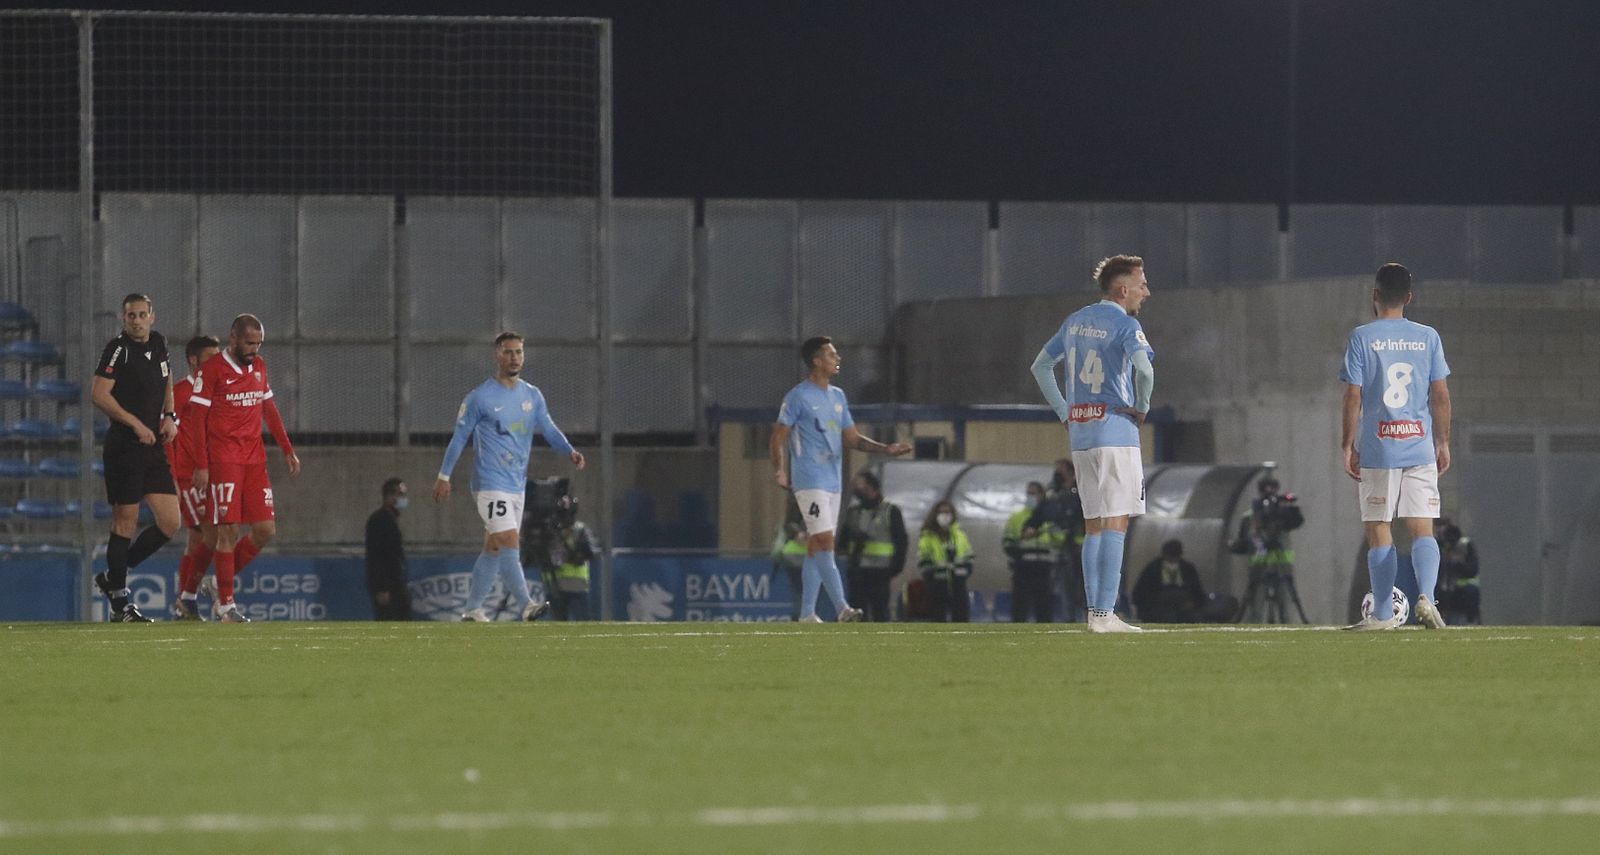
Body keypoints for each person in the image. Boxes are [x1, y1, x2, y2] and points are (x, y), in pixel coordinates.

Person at [1030, 254, 1154, 633]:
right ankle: (1105, 613)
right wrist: (1142, 407)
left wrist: (1066, 413)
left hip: (1082, 435)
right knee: (1116, 522)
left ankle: (1093, 613)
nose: (1146, 291)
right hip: (1116, 432)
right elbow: (1145, 370)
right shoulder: (1125, 324)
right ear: (1122, 289)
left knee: (1094, 526)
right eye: (1141, 284)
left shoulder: (1075, 321)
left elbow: (1040, 367)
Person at [434, 332, 585, 622]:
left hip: (516, 485)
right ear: (497, 355)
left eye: (518, 352)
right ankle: (527, 605)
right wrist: (444, 476)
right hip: (490, 484)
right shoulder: (479, 398)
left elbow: (549, 429)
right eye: (508, 352)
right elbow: (459, 438)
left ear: (523, 356)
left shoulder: (532, 395)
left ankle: (472, 608)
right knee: (509, 540)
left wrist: (569, 451)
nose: (514, 357)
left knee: (493, 546)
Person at [1340, 262, 1452, 631]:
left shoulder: (1362, 337)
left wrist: (1347, 444)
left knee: (1379, 527)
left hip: (1379, 448)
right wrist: (1442, 441)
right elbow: (1440, 395)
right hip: (1419, 445)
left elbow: (1353, 396)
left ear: (1375, 295)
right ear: (1408, 298)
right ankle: (1426, 596)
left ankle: (1384, 613)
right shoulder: (1428, 337)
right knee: (1423, 527)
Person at [770, 335, 911, 623]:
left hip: (833, 482)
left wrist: (886, 449)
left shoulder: (838, 396)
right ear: (816, 361)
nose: (838, 360)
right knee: (825, 541)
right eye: (832, 355)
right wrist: (780, 470)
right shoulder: (797, 397)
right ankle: (842, 608)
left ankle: (807, 613)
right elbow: (778, 438)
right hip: (809, 481)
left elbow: (851, 438)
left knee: (816, 545)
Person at [189, 313, 302, 623]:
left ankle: (217, 584)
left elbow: (270, 410)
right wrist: (202, 464)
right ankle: (226, 606)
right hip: (224, 460)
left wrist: (287, 449)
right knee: (228, 529)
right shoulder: (212, 371)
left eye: (259, 344)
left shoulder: (260, 367)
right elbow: (197, 420)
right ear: (234, 338)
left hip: (255, 460)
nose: (255, 349)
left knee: (265, 530)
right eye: (250, 343)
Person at [90, 293, 181, 622]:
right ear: (123, 318)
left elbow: (167, 376)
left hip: (152, 446)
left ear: (152, 317)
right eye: (132, 316)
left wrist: (170, 415)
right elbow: (98, 394)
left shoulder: (158, 342)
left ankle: (113, 576)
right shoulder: (118, 349)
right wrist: (135, 423)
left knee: (170, 522)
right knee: (124, 523)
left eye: (143, 314)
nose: (137, 320)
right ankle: (119, 603)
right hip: (125, 447)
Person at [167, 334, 220, 621]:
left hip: (212, 473)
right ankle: (188, 597)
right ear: (193, 360)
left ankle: (184, 602)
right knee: (209, 534)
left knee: (195, 539)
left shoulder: (214, 391)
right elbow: (168, 437)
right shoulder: (180, 394)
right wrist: (173, 478)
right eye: (210, 358)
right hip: (190, 476)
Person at [837, 470, 908, 622]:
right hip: (857, 569)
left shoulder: (890, 511)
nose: (857, 489)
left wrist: (895, 567)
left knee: (880, 611)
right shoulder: (853, 512)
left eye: (860, 485)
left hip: (880, 571)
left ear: (872, 487)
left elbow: (901, 541)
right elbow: (842, 541)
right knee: (857, 611)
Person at [1002, 481, 1063, 622]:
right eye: (1029, 493)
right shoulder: (1016, 518)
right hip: (1023, 566)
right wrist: (1018, 554)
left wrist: (1053, 529)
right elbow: (1007, 541)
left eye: (1034, 493)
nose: (1031, 496)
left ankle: (1044, 632)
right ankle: (1017, 630)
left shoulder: (1049, 517)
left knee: (1044, 604)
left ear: (1041, 495)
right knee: (1020, 603)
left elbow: (1060, 540)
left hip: (1044, 566)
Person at [1038, 458, 1087, 620]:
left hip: (1080, 548)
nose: (1057, 473)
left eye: (1061, 470)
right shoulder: (1053, 492)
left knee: (1084, 586)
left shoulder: (1081, 490)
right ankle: (1069, 618)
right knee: (1066, 587)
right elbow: (1044, 513)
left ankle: (1088, 616)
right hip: (1062, 548)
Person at [917, 500, 974, 622]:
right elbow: (924, 564)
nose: (945, 516)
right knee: (937, 623)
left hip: (958, 586)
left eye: (948, 513)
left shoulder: (960, 536)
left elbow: (969, 559)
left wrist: (961, 572)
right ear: (935, 515)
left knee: (961, 623)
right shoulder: (927, 538)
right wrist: (941, 572)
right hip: (936, 588)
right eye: (941, 513)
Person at [365, 477, 412, 620]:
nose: (404, 498)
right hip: (389, 586)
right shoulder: (380, 520)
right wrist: (381, 587)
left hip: (396, 583)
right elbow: (376, 555)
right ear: (391, 496)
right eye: (401, 494)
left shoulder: (390, 518)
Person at [1132, 539, 1207, 623]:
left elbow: (1198, 591)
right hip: (1159, 607)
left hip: (1184, 607)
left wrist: (1192, 603)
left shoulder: (1188, 569)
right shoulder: (1152, 569)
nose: (1172, 560)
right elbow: (1140, 593)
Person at [769, 500, 810, 621]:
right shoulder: (808, 505)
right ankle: (802, 616)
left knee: (800, 590)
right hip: (798, 557)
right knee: (801, 590)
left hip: (797, 556)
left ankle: (801, 616)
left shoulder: (796, 505)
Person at [1435, 517, 1480, 625]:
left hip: (1465, 589)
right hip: (1444, 589)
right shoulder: (1437, 545)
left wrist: (1457, 563)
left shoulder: (1465, 545)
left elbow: (1472, 569)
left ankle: (1470, 621)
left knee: (1470, 593)